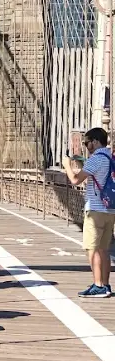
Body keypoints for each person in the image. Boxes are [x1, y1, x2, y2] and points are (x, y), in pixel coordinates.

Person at [63, 126, 115, 298]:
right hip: (110, 209)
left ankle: (98, 285)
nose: (86, 146)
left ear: (95, 141)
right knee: (104, 249)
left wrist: (67, 166)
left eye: (87, 143)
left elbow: (75, 180)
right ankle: (105, 285)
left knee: (92, 248)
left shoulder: (96, 158)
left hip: (95, 210)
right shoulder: (111, 157)